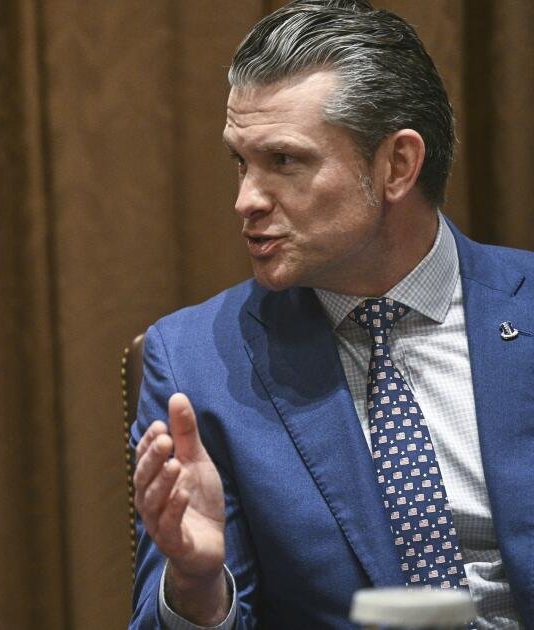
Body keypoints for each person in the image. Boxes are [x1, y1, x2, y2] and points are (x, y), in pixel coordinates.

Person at [129, 1, 533, 628]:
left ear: (397, 165)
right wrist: (198, 584)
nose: (246, 200)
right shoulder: (195, 362)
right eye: (241, 161)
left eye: (284, 161)